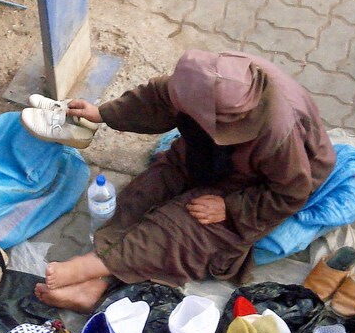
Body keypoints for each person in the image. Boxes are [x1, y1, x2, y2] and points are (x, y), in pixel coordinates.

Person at [35, 49, 336, 312]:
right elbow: (156, 98)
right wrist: (103, 113)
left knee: (182, 226)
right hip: (206, 153)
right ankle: (96, 284)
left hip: (257, 186)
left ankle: (95, 268)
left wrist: (231, 208)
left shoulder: (278, 136)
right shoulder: (203, 79)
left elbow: (291, 193)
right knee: (144, 193)